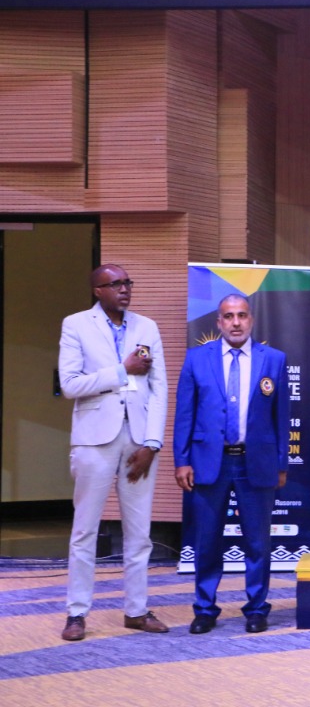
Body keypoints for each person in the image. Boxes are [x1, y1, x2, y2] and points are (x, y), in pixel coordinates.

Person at [58, 264, 169, 641]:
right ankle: (77, 613)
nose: (124, 289)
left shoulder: (146, 327)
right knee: (85, 530)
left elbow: (159, 388)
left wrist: (152, 444)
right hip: (94, 440)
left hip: (138, 442)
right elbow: (70, 384)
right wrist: (122, 370)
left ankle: (136, 610)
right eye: (115, 284)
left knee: (139, 534)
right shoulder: (75, 325)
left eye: (127, 282)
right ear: (97, 291)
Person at [174, 294, 290, 634]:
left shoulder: (274, 360)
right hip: (210, 464)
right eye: (228, 316)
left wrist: (281, 463)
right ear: (219, 322)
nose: (235, 322)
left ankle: (256, 608)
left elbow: (282, 416)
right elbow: (185, 415)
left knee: (257, 541)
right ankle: (205, 608)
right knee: (207, 540)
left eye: (241, 315)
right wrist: (182, 461)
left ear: (251, 320)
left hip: (257, 463)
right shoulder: (196, 359)